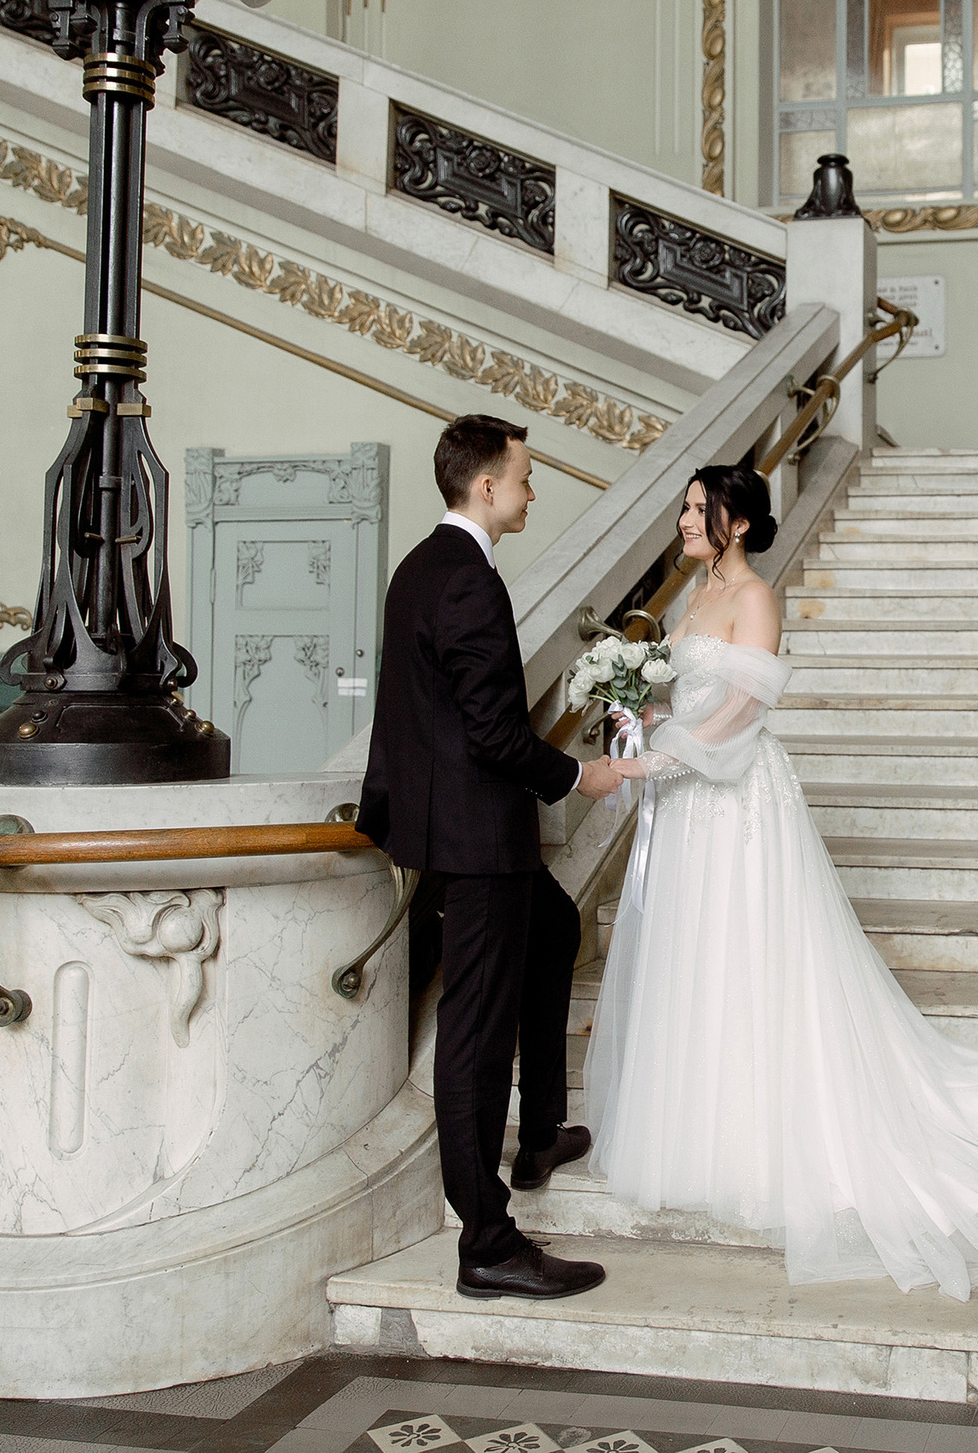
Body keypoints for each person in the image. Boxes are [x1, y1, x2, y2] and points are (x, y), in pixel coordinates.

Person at [587, 466, 978, 1299]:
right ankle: (701, 1130)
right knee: (698, 961)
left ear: (742, 524)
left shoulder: (755, 596)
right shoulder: (694, 595)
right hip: (690, 806)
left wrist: (656, 755)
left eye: (701, 509)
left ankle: (770, 1141)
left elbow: (739, 715)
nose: (686, 520)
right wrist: (641, 716)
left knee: (751, 958)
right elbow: (694, 699)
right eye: (685, 508)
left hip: (738, 801)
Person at [357, 414, 624, 1302]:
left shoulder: (420, 567)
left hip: (453, 830)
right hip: (476, 839)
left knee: (552, 926)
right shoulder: (468, 581)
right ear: (485, 487)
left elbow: (410, 716)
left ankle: (540, 1127)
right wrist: (577, 774)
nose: (531, 490)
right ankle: (486, 1239)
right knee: (471, 1038)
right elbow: (495, 733)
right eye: (524, 476)